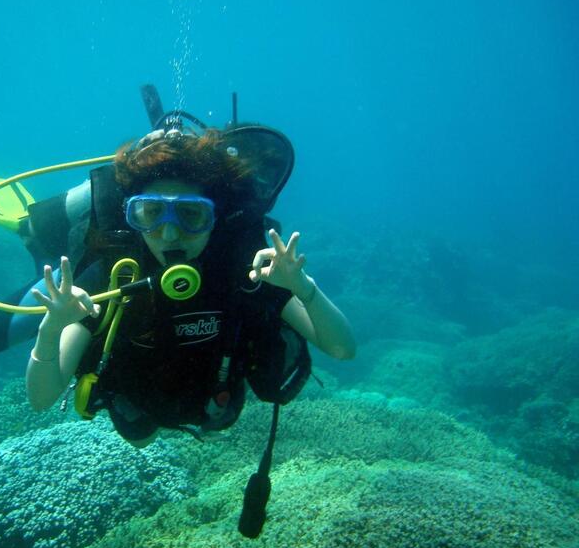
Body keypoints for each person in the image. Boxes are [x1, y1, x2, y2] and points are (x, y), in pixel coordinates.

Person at [25, 127, 355, 447]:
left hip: (214, 399)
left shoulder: (246, 270)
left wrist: (303, 287)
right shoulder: (115, 277)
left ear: (215, 218)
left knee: (218, 420)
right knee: (140, 437)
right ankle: (28, 237)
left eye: (191, 214)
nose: (170, 235)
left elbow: (343, 348)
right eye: (151, 213)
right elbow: (41, 399)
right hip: (139, 401)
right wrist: (51, 327)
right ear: (132, 216)